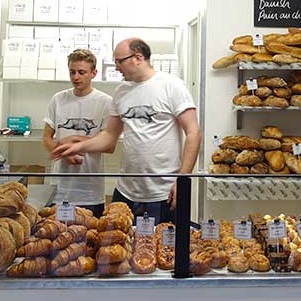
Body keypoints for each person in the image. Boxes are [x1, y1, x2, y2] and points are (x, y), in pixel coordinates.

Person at [52, 38, 201, 223]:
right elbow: (109, 136)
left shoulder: (172, 85)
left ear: (138, 57)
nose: (116, 67)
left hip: (163, 192)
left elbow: (193, 132)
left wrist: (183, 180)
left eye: (119, 61)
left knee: (161, 249)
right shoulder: (121, 91)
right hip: (125, 191)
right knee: (118, 246)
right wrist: (79, 146)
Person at [42, 49, 113, 218]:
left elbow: (108, 145)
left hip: (90, 192)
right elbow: (46, 138)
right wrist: (62, 152)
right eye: (72, 72)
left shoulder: (106, 102)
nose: (76, 77)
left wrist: (74, 141)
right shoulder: (58, 99)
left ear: (93, 73)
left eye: (81, 72)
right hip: (60, 189)